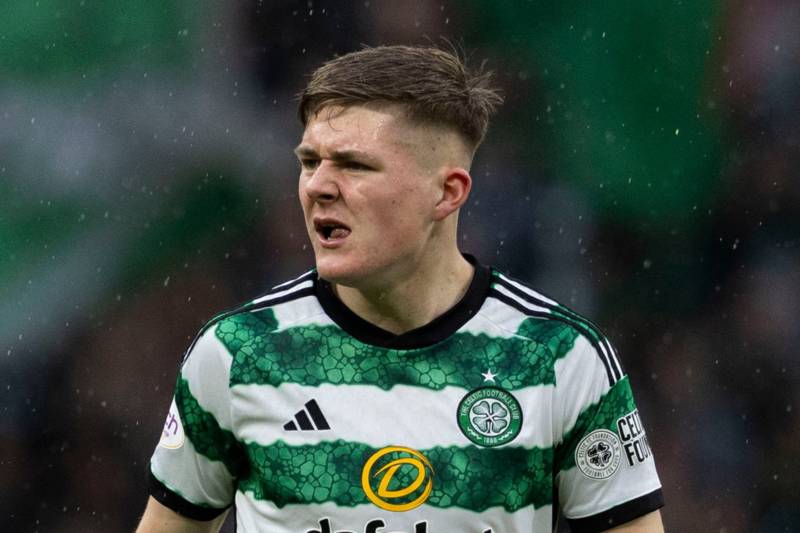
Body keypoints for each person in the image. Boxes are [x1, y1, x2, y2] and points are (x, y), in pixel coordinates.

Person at [136, 45, 664, 533]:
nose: (318, 185)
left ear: (447, 192)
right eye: (310, 161)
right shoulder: (238, 352)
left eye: (354, 165)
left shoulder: (559, 357)